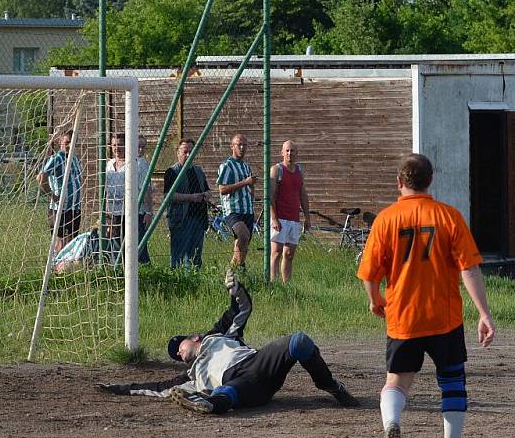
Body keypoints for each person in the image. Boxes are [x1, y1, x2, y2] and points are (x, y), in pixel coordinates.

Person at [357, 153, 495, 438]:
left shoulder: (386, 220)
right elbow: (469, 269)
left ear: (399, 183)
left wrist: (376, 300)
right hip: (443, 315)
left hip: (403, 315)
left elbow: (369, 275)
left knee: (397, 381)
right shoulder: (449, 216)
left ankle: (391, 424)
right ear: (430, 181)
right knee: (452, 380)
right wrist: (484, 313)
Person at [98, 269, 359, 413]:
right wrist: (117, 388)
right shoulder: (188, 376)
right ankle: (209, 405)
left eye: (179, 346)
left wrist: (236, 290)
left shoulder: (218, 336)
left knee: (300, 342)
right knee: (224, 392)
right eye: (175, 355)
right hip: (242, 387)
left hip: (257, 364)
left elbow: (241, 308)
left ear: (195, 338)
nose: (178, 353)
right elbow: (154, 387)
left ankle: (333, 387)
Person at [268, 140, 311, 283]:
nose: (289, 153)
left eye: (292, 151)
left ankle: (287, 285)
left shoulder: (299, 171)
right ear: (282, 153)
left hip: (294, 218)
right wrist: (274, 218)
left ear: (297, 153)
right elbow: (271, 195)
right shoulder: (277, 169)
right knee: (276, 252)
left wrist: (307, 216)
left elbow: (302, 194)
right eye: (287, 150)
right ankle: (272, 283)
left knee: (289, 253)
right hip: (280, 217)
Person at [164, 139, 210, 269]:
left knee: (195, 256)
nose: (188, 155)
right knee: (178, 256)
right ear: (178, 153)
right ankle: (177, 282)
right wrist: (191, 197)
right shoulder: (172, 171)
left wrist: (206, 195)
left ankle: (194, 282)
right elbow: (168, 196)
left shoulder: (199, 171)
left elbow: (207, 189)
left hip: (199, 219)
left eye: (191, 151)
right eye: (185, 152)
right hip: (181, 219)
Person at [36, 131, 82, 253]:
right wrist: (53, 196)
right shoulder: (56, 159)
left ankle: (66, 268)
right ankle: (55, 267)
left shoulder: (76, 160)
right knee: (59, 243)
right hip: (59, 208)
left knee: (72, 242)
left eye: (73, 142)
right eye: (67, 142)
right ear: (60, 143)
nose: (69, 145)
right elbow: (41, 177)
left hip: (75, 208)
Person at [216, 134, 257, 270]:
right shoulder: (227, 165)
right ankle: (241, 267)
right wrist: (245, 182)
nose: (242, 147)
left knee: (242, 244)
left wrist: (251, 190)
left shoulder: (246, 166)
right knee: (243, 236)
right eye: (239, 144)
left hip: (247, 209)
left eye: (244, 145)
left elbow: (249, 187)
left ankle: (233, 270)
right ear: (232, 146)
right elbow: (222, 189)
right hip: (233, 209)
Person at [104, 133, 127, 262]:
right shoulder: (109, 165)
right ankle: (116, 270)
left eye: (120, 145)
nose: (117, 148)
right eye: (114, 145)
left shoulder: (132, 164)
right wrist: (107, 213)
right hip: (112, 212)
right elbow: (106, 190)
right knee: (114, 243)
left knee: (128, 245)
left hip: (127, 212)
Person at [137, 135, 154, 264]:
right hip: (124, 211)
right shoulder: (133, 162)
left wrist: (148, 211)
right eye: (138, 146)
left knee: (140, 242)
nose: (141, 150)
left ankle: (145, 268)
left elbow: (147, 189)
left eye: (143, 147)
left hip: (140, 211)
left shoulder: (143, 163)